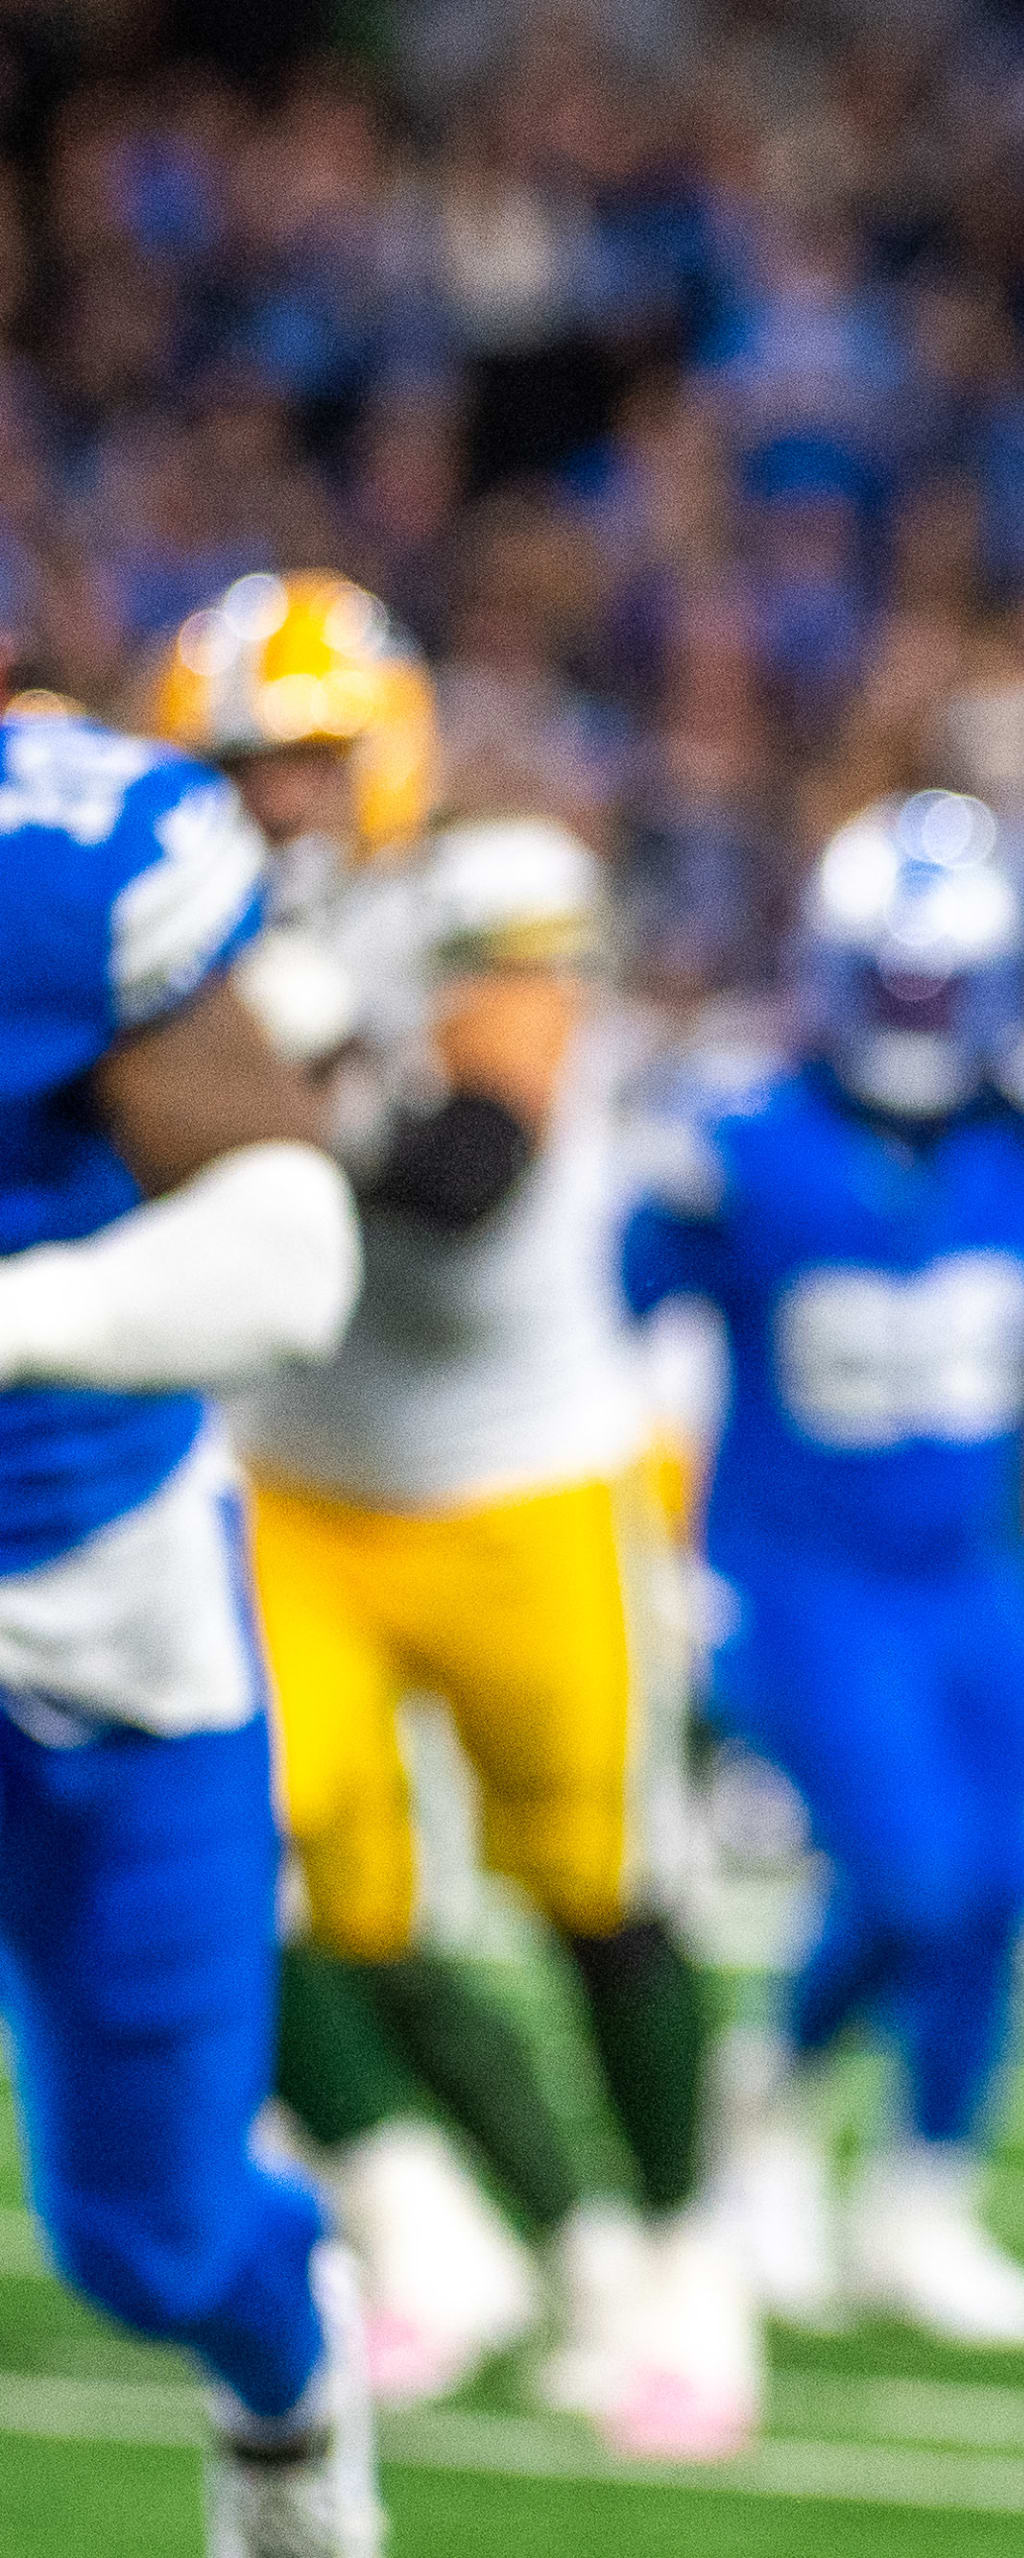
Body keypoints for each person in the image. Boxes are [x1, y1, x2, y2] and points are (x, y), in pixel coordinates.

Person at [152, 572, 754, 2458]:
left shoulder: (494, 885)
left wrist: (282, 1070)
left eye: (313, 758)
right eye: (246, 764)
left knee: (600, 1890)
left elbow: (472, 1166)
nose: (283, 799)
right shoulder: (180, 929)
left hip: (525, 1465)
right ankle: (425, 2223)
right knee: (227, 1861)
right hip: (296, 1471)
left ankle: (676, 2266)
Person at [627, 791, 1024, 2345]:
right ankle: (767, 2097)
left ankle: (921, 2200)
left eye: (944, 988)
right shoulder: (736, 1134)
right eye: (895, 985)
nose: (919, 1016)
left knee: (999, 1889)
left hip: (974, 1578)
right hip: (798, 1575)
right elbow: (593, 1317)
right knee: (914, 1878)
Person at [0, 696, 380, 2553]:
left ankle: (294, 2393)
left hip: (82, 1608)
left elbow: (288, 1244)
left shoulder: (63, 863)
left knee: (153, 2237)